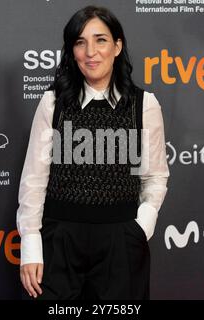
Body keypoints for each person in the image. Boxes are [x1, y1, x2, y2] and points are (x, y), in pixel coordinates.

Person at [16, 5, 169, 300]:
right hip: (58, 241)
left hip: (121, 241)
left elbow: (155, 176)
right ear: (72, 51)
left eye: (100, 40)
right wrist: (32, 246)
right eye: (80, 42)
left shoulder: (143, 105)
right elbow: (34, 180)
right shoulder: (53, 103)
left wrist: (140, 228)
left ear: (117, 46)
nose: (91, 52)